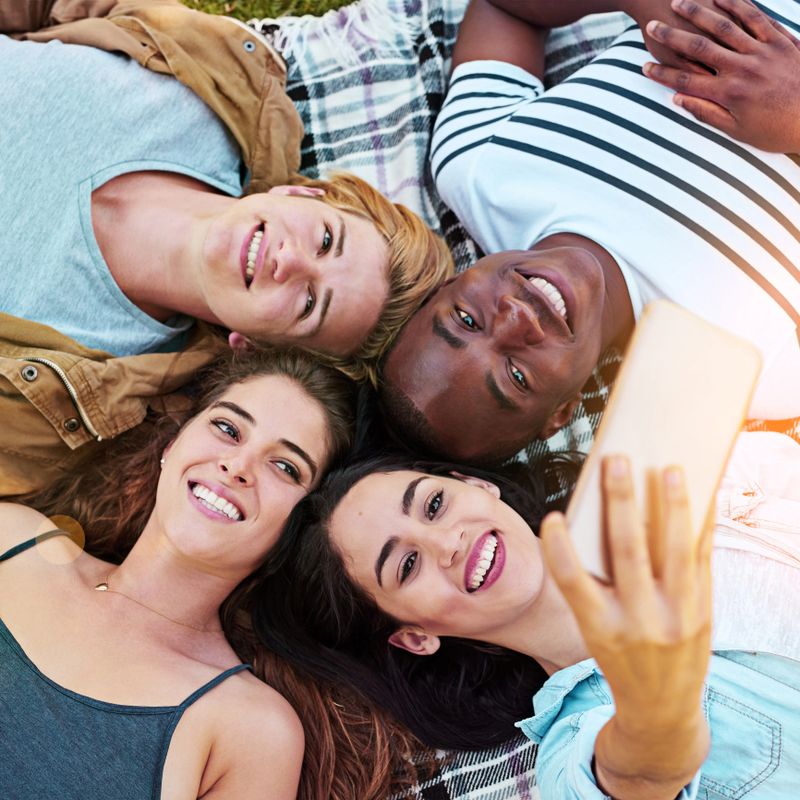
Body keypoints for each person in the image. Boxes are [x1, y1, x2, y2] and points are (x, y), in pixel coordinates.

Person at [0, 0, 454, 496]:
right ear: (301, 194)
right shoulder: (213, 83)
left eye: (308, 303)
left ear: (254, 345)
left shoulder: (73, 394)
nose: (291, 260)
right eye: (326, 239)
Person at [252, 434, 800, 798]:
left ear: (477, 486)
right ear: (417, 637)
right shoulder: (574, 751)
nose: (448, 543)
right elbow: (631, 777)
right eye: (408, 564)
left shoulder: (699, 480)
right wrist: (655, 725)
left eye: (435, 505)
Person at [379, 0, 800, 463]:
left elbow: (506, 9)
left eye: (466, 320)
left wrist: (646, 7)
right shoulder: (753, 369)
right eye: (517, 376)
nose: (516, 317)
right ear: (562, 412)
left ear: (447, 284)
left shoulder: (478, 166)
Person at [0, 346, 358, 799]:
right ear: (173, 445)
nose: (237, 466)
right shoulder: (13, 540)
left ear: (302, 530)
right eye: (227, 428)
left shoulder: (252, 730)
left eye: (285, 467)